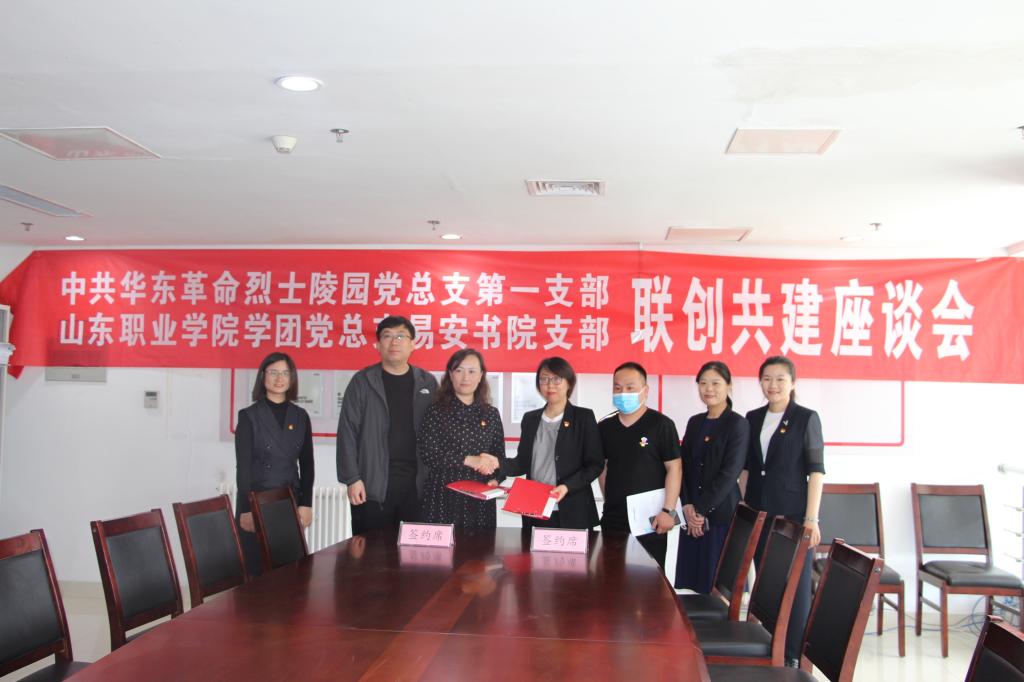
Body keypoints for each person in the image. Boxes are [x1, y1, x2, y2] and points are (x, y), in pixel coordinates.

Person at [740, 355, 825, 668]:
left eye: (779, 379)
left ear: (793, 382)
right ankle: (771, 647)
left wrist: (811, 519)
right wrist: (745, 505)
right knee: (767, 583)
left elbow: (816, 472)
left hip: (792, 516)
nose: (772, 385)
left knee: (796, 586)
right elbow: (747, 469)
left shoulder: (806, 418)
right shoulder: (752, 418)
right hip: (761, 513)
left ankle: (793, 655)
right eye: (766, 379)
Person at [336, 315, 438, 535]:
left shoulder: (428, 383)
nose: (394, 342)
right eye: (387, 336)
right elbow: (347, 433)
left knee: (413, 552)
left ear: (412, 344)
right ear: (378, 344)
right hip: (372, 484)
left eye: (401, 336)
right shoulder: (362, 382)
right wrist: (352, 479)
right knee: (370, 552)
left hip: (416, 485)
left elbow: (439, 433)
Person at [500, 357, 604, 529]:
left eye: (557, 379)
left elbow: (595, 465)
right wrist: (496, 465)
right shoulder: (530, 419)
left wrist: (567, 486)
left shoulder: (583, 418)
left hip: (573, 509)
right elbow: (522, 463)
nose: (550, 385)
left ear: (569, 383)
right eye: (544, 379)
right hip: (535, 508)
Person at [235, 351, 314, 577]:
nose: (279, 379)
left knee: (290, 573)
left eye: (285, 373)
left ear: (292, 378)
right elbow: (243, 467)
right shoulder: (248, 416)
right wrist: (246, 509)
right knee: (256, 574)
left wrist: (306, 504)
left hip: (289, 502)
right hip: (256, 502)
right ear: (263, 377)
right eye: (273, 373)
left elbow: (307, 463)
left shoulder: (300, 416)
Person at [674, 361, 749, 592]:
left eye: (716, 383)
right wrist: (687, 505)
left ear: (729, 386)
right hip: (692, 516)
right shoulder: (695, 422)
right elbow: (683, 466)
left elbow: (730, 473)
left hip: (721, 516)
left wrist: (700, 510)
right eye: (703, 383)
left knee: (719, 587)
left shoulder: (738, 424)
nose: (709, 389)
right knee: (693, 586)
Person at [598, 361, 682, 568]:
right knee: (611, 576)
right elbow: (603, 468)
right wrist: (609, 500)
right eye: (618, 388)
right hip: (614, 517)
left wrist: (668, 511)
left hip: (651, 520)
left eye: (630, 388)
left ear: (645, 390)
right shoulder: (604, 426)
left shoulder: (661, 425)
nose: (623, 393)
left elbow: (674, 468)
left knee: (648, 580)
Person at [418, 348, 505, 527]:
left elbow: (499, 456)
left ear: (481, 375)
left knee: (480, 545)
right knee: (443, 544)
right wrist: (468, 460)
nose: (465, 377)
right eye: (459, 370)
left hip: (480, 499)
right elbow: (428, 453)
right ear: (450, 375)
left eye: (472, 371)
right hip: (443, 495)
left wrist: (496, 478)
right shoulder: (436, 411)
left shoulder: (491, 414)